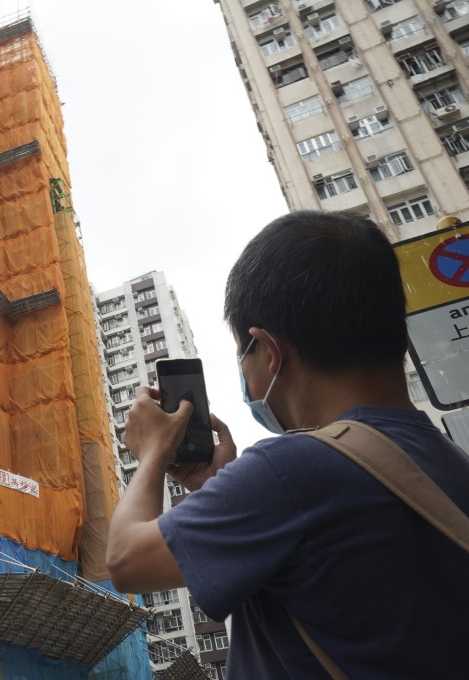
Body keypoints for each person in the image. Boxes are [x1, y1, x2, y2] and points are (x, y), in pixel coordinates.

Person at [106, 211, 469, 678]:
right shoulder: (449, 460)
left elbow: (125, 560)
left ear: (270, 351)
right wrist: (219, 486)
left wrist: (153, 450)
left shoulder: (293, 469)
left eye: (242, 353)